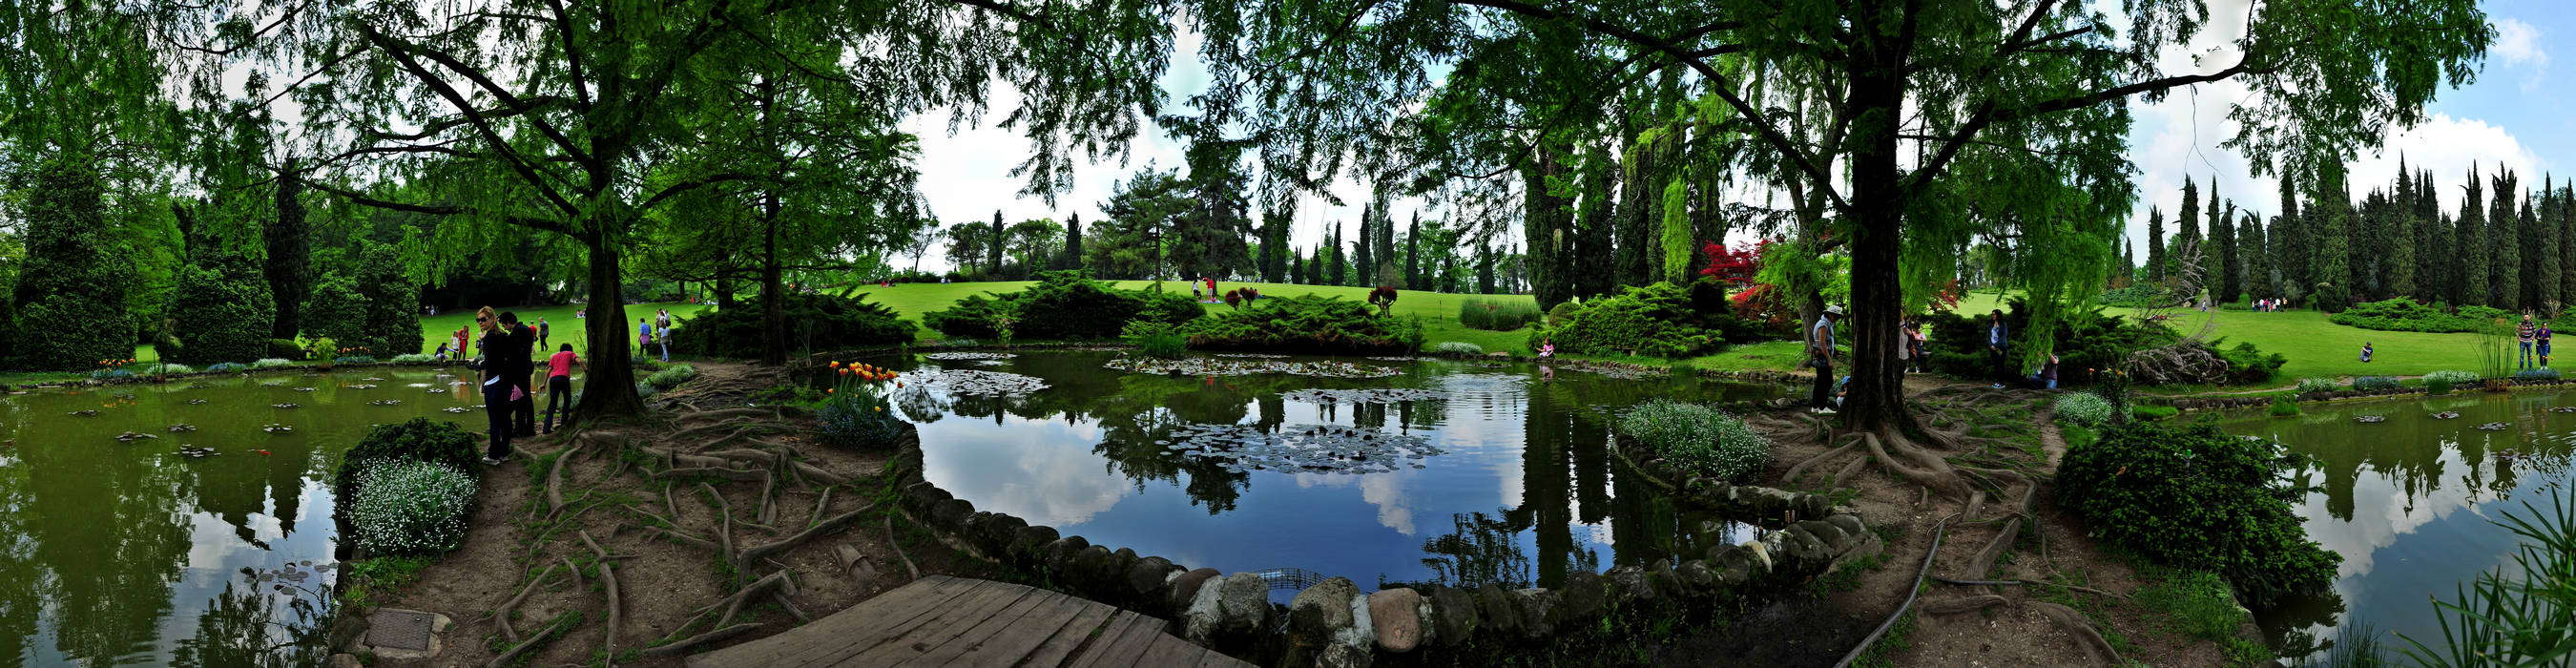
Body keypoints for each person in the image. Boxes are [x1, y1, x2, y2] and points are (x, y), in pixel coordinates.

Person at [473, 307, 515, 465]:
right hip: (505, 381)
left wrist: (480, 363)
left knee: (494, 420)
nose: (480, 323)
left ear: (492, 319)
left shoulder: (490, 337)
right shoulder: (503, 335)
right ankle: (504, 452)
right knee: (505, 418)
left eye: (483, 319)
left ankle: (493, 455)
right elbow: (506, 358)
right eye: (478, 320)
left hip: (493, 382)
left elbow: (491, 362)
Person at [499, 312, 539, 437]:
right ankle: (523, 429)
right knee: (523, 399)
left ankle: (525, 429)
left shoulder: (519, 331)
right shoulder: (522, 329)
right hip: (524, 368)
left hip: (520, 370)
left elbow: (514, 350)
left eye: (503, 325)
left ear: (508, 322)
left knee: (522, 399)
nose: (504, 327)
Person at [1807, 305, 1842, 414]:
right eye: (1835, 316)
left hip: (1822, 356)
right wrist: (1829, 360)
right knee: (1827, 382)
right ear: (1829, 314)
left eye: (1837, 317)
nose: (1836, 319)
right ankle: (1822, 408)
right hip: (1822, 356)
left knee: (1820, 382)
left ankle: (1815, 406)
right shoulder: (1823, 325)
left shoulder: (1827, 324)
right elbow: (1822, 344)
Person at [542, 344, 582, 434]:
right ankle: (564, 424)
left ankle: (546, 429)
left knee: (552, 403)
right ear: (570, 350)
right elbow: (580, 361)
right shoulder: (570, 353)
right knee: (567, 400)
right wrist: (586, 370)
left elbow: (548, 371)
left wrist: (543, 383)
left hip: (553, 379)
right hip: (564, 378)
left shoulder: (554, 356)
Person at [1985, 309, 2011, 389]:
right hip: (1992, 348)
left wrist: (1995, 345)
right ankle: (1997, 382)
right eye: (1992, 314)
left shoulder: (2003, 324)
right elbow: (1987, 336)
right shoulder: (1990, 324)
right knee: (1996, 365)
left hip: (2001, 348)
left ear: (1998, 315)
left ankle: (2002, 383)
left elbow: (2003, 336)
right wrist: (1991, 345)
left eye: (1995, 314)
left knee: (2001, 365)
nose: (1993, 316)